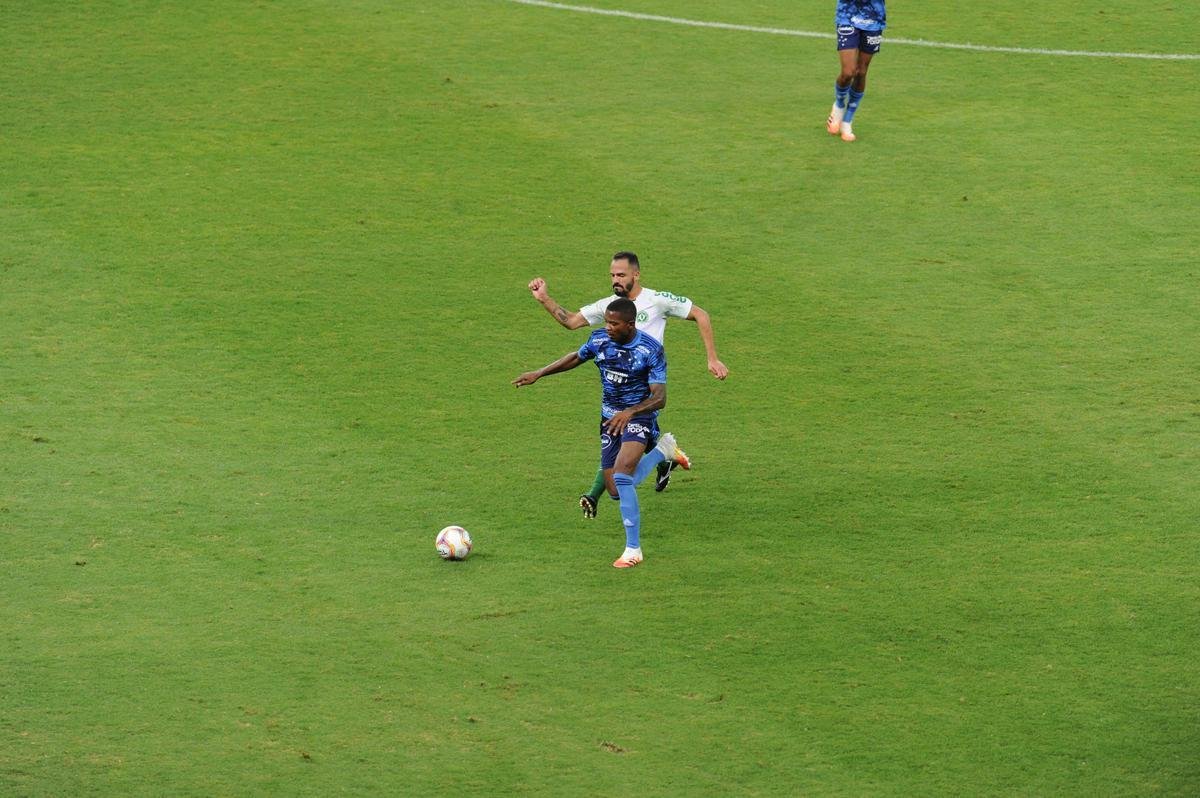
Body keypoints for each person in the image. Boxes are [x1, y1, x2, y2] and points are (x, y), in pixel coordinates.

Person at [527, 251, 727, 518]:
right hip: (616, 389)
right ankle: (664, 456)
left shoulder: (657, 300)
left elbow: (701, 314)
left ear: (636, 274)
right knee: (630, 451)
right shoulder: (610, 307)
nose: (615, 280)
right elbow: (572, 322)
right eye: (612, 275)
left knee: (626, 452)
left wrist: (712, 358)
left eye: (621, 275)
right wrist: (544, 299)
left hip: (647, 388)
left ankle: (604, 492)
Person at [513, 298, 688, 568]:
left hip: (638, 417)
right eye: (606, 322)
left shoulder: (650, 349)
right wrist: (540, 373)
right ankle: (662, 451)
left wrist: (630, 412)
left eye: (614, 324)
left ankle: (633, 549)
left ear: (630, 324)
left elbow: (660, 397)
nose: (608, 327)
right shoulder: (600, 340)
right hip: (609, 419)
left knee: (622, 476)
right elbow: (576, 357)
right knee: (616, 491)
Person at [826, 0, 887, 142]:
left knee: (861, 72)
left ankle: (847, 120)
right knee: (848, 72)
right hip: (847, 15)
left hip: (873, 17)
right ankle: (839, 105)